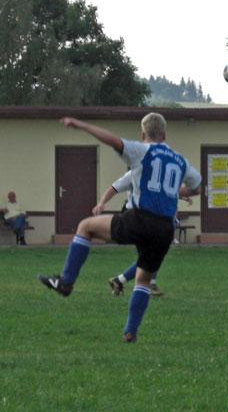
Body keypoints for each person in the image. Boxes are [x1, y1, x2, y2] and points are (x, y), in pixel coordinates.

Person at [38, 113, 202, 343]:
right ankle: (130, 332)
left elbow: (113, 140)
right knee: (143, 280)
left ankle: (65, 282)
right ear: (164, 135)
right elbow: (198, 187)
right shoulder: (180, 161)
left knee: (85, 226)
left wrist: (81, 124)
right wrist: (176, 192)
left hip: (140, 219)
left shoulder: (142, 151)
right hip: (165, 228)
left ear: (142, 134)